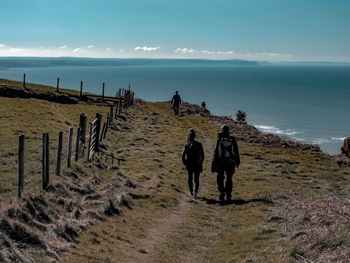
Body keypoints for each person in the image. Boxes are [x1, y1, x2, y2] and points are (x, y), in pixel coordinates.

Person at [211, 125, 240, 201]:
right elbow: (236, 151)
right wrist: (237, 162)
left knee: (220, 178)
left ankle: (222, 193)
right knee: (229, 179)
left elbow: (216, 151)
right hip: (231, 162)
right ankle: (228, 195)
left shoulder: (219, 139)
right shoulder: (232, 139)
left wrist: (214, 162)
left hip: (221, 162)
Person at [182, 128, 204, 199]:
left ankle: (191, 192)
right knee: (196, 179)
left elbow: (183, 155)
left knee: (190, 178)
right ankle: (195, 192)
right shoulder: (199, 144)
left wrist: (184, 163)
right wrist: (201, 162)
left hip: (189, 164)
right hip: (197, 164)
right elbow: (202, 155)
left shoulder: (186, 145)